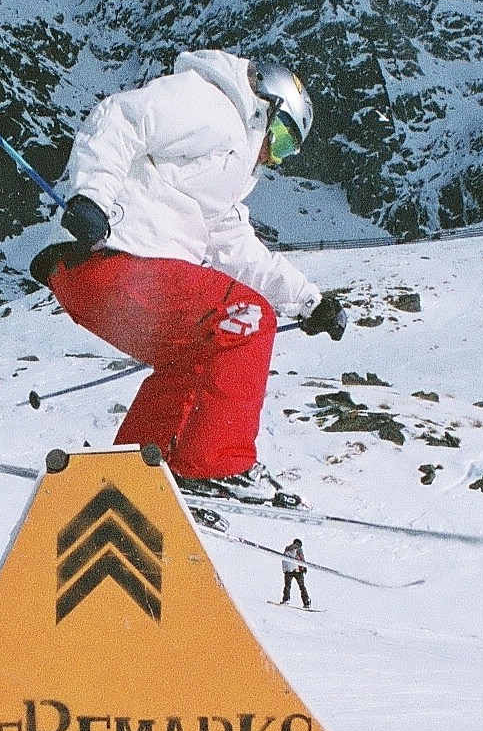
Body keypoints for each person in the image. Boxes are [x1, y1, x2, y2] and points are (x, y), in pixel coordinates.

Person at [27, 52, 346, 485]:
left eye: (288, 154)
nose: (276, 159)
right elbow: (122, 117)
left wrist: (311, 302)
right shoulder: (216, 107)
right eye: (285, 141)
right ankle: (215, 467)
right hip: (110, 253)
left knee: (192, 360)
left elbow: (239, 250)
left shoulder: (225, 178)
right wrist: (92, 197)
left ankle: (139, 475)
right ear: (270, 110)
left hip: (100, 281)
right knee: (246, 320)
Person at [279, 537, 312, 610]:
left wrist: (284, 570)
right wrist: (304, 567)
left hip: (289, 570)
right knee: (301, 587)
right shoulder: (297, 548)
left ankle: (286, 600)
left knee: (288, 586)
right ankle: (306, 602)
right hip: (297, 571)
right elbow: (301, 558)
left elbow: (284, 560)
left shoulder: (288, 549)